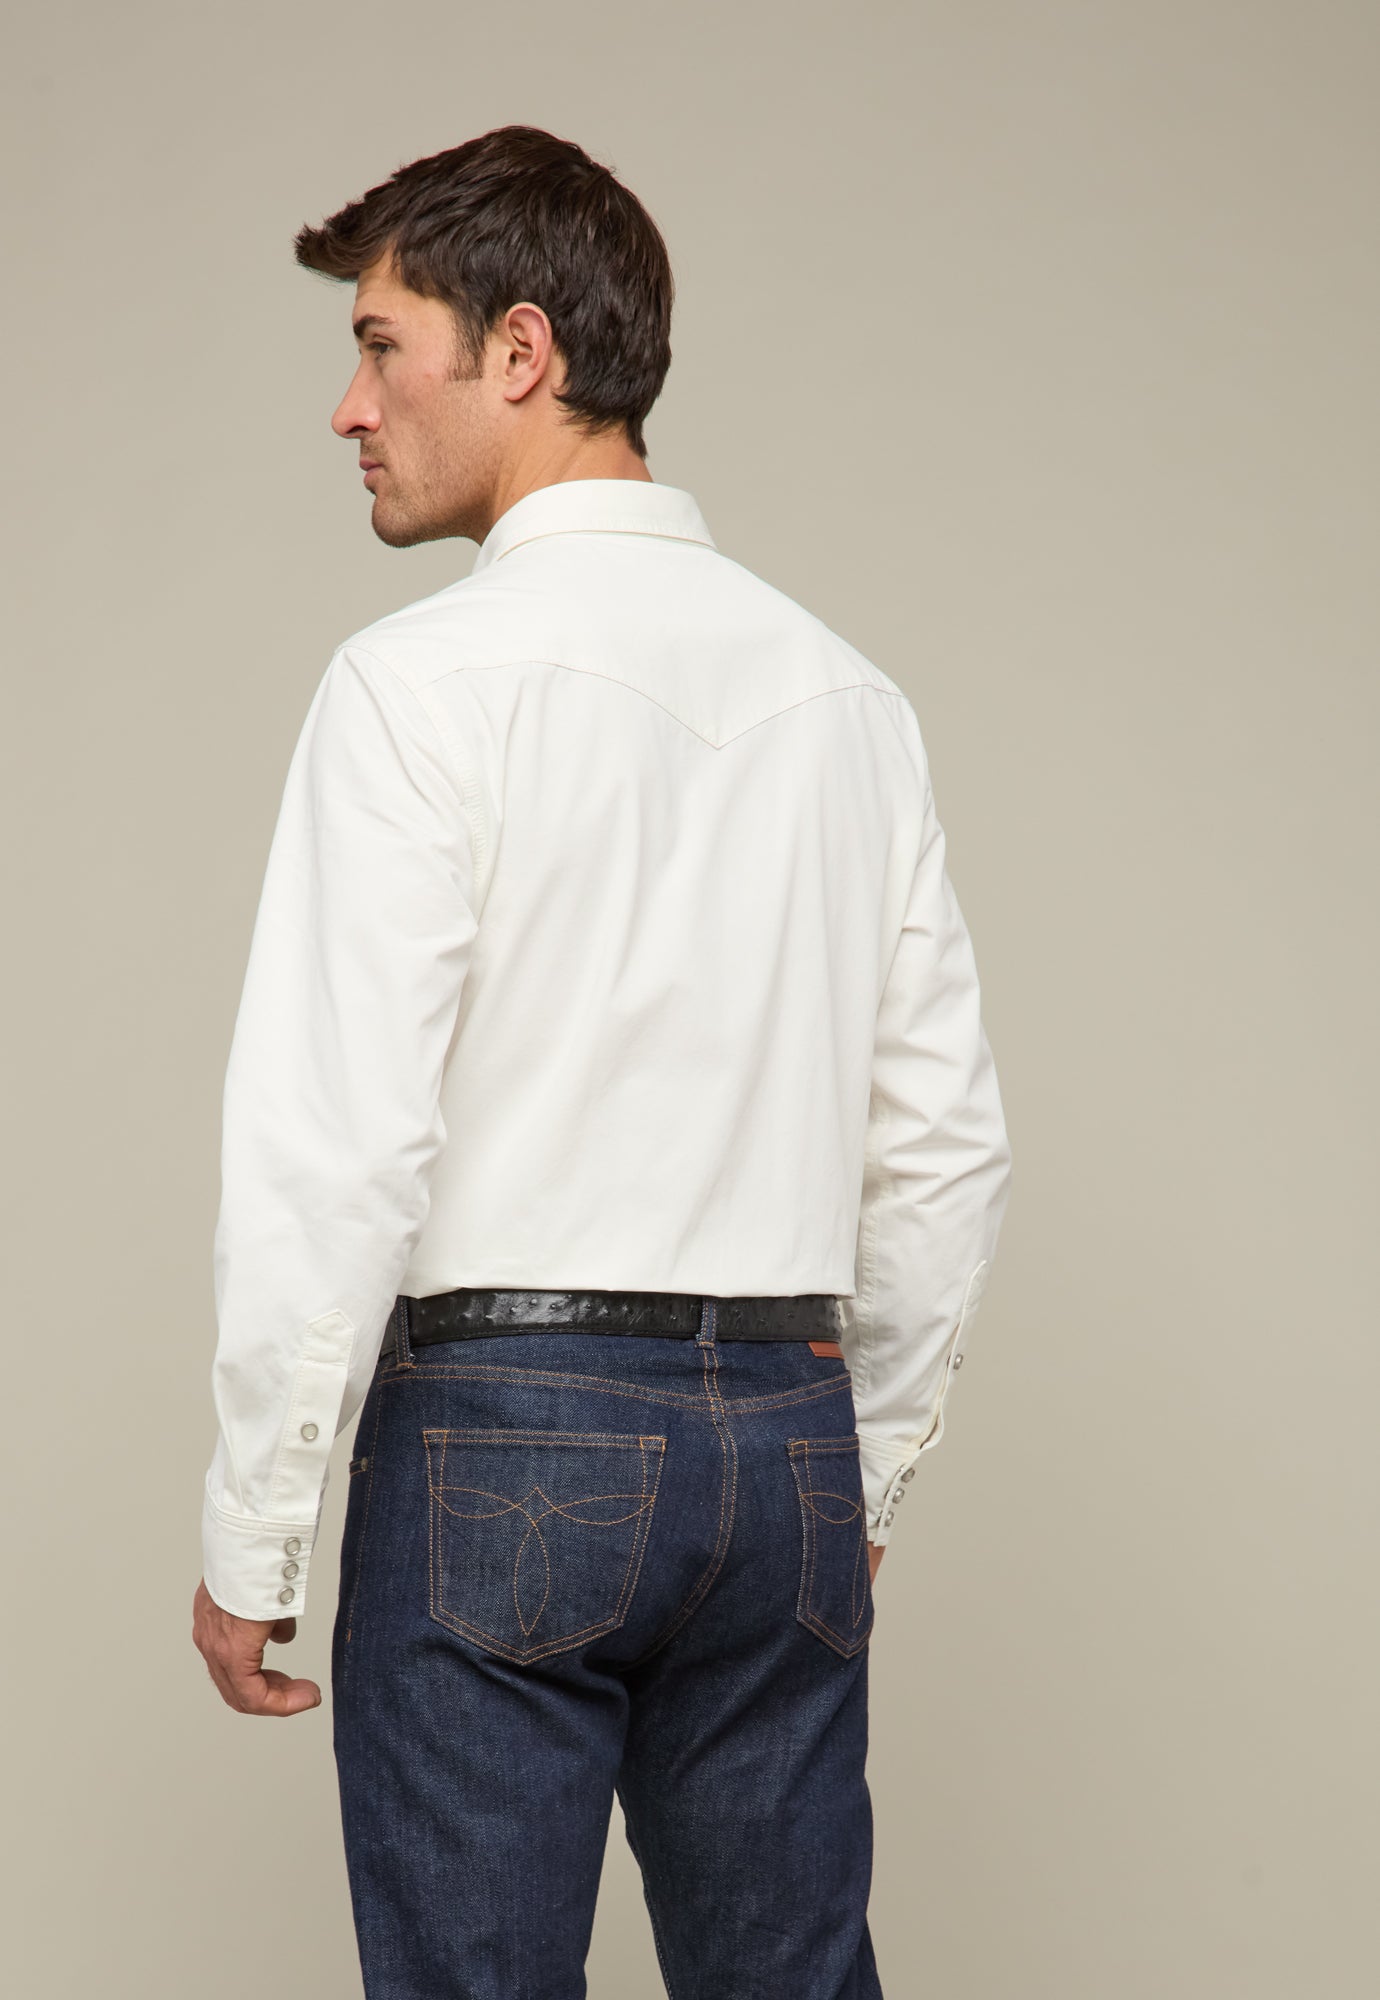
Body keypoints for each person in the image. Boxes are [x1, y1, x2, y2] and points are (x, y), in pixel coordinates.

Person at [190, 123, 1012, 2000]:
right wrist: (859, 1479)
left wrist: (256, 1527)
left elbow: (337, 1145)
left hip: (505, 1439)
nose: (349, 406)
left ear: (522, 350)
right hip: (787, 1438)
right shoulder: (846, 697)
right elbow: (947, 1151)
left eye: (381, 346)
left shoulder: (416, 686)